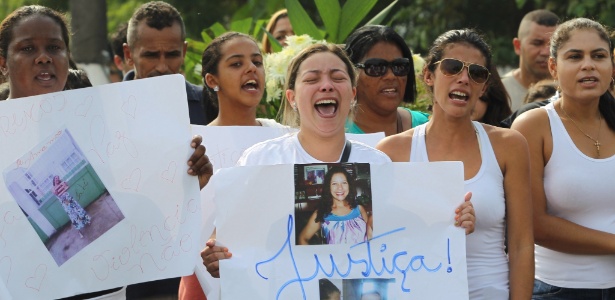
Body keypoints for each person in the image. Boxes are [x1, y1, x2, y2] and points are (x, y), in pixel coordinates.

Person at [201, 43, 474, 280]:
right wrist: (218, 256)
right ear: (292, 98)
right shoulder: (261, 160)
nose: (326, 85)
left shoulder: (377, 166)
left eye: (337, 77)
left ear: (352, 95)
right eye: (312, 79)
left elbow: (407, 239)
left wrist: (454, 220)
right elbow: (227, 240)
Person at [0, 5, 212, 300]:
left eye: (54, 47)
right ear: (2, 63)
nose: (44, 57)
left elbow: (140, 213)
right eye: (27, 48)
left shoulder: (106, 124)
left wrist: (186, 186)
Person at [376, 29, 534, 299]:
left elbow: (521, 245)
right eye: (452, 67)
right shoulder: (391, 152)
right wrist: (436, 224)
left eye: (477, 73)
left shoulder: (509, 145)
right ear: (428, 75)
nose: (464, 79)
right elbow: (375, 239)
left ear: (484, 86)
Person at [511, 18, 615, 298]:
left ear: (611, 67)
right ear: (553, 67)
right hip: (559, 289)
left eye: (598, 56)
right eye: (575, 56)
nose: (588, 65)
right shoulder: (533, 126)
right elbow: (533, 223)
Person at [177, 31, 283, 300]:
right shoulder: (192, 146)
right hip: (203, 283)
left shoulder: (286, 138)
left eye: (257, 62)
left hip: (273, 283)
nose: (251, 69)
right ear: (212, 80)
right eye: (236, 64)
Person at [123, 1, 218, 125]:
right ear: (128, 54)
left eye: (172, 55)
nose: (162, 67)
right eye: (151, 55)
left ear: (183, 52)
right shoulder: (106, 110)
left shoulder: (211, 106)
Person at [344, 25, 429, 137]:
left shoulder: (426, 127)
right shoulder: (334, 134)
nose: (391, 76)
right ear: (351, 72)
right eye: (376, 67)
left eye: (399, 66)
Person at [502, 9, 559, 111]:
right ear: (518, 46)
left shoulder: (570, 92)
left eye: (552, 45)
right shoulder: (500, 92)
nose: (546, 52)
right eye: (537, 43)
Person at [298, 166, 370, 245]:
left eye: (344, 183)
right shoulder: (321, 213)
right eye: (334, 183)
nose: (340, 188)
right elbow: (303, 238)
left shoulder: (359, 209)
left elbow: (370, 237)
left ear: (349, 185)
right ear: (328, 187)